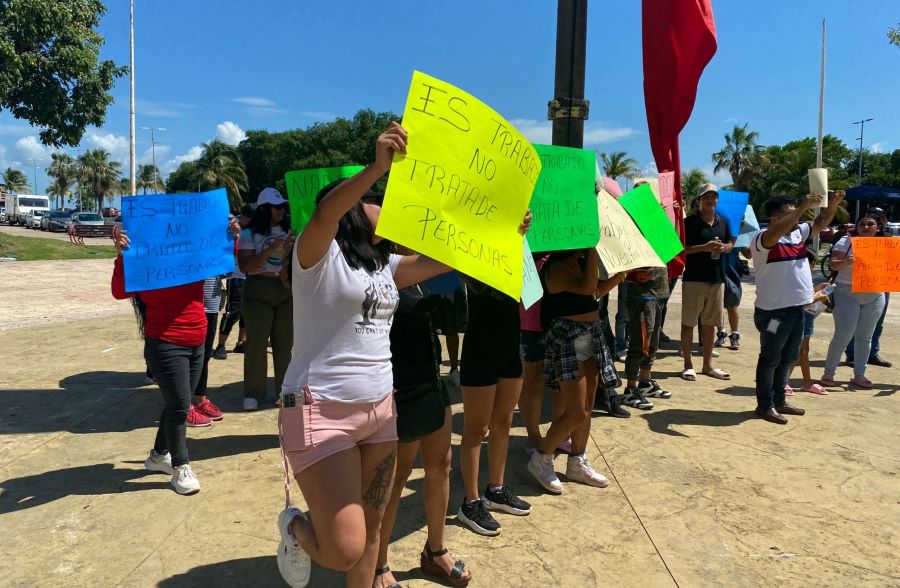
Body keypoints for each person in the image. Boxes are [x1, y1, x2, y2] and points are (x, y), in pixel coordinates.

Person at [273, 123, 453, 588]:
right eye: (373, 199)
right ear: (352, 209)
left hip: (380, 412)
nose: (383, 206)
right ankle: (293, 525)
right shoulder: (315, 256)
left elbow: (450, 259)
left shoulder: (386, 266)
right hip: (321, 411)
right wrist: (376, 165)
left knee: (373, 533)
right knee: (343, 548)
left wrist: (503, 232)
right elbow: (324, 215)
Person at [109, 221, 232, 494]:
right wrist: (121, 255)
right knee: (180, 407)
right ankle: (180, 466)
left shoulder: (194, 257)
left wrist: (229, 236)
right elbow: (119, 291)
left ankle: (158, 456)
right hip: (164, 343)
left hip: (197, 340)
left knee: (179, 402)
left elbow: (226, 264)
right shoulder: (145, 262)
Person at [375, 276, 471, 588]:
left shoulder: (424, 274)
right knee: (394, 479)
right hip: (400, 388)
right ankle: (378, 565)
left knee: (441, 465)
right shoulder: (382, 271)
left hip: (431, 381)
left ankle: (435, 550)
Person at [456, 217, 534, 537]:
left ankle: (495, 489)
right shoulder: (472, 252)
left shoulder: (516, 245)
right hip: (479, 350)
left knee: (503, 422)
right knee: (476, 428)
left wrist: (520, 232)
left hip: (509, 347)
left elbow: (528, 287)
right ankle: (470, 502)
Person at [526, 249, 621, 494]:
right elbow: (586, 287)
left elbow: (594, 293)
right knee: (577, 411)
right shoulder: (556, 268)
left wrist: (618, 277)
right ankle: (541, 458)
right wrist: (591, 251)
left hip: (591, 332)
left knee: (587, 405)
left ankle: (577, 460)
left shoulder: (580, 263)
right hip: (567, 337)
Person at [750, 191, 844, 424]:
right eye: (790, 215)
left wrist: (832, 205)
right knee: (770, 358)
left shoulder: (797, 235)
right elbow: (775, 234)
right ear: (774, 218)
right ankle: (765, 405)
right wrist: (803, 207)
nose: (799, 221)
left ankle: (779, 400)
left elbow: (821, 222)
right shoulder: (763, 238)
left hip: (796, 308)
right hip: (774, 311)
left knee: (788, 357)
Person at [237, 189, 294, 411]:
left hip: (286, 289)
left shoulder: (291, 230)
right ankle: (253, 392)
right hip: (257, 290)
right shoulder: (248, 234)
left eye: (283, 207)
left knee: (284, 345)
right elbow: (245, 266)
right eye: (276, 207)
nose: (281, 211)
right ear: (264, 209)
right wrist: (269, 250)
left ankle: (286, 391)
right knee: (256, 344)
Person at [820, 215, 886, 389]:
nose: (866, 227)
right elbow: (833, 265)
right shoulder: (846, 240)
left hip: (875, 295)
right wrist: (845, 262)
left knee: (865, 336)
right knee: (843, 334)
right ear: (856, 226)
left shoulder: (886, 244)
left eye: (870, 224)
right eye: (862, 224)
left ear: (878, 227)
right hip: (847, 292)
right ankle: (828, 373)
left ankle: (859, 374)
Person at [680, 184, 734, 381]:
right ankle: (688, 364)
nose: (711, 201)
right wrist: (704, 247)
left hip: (717, 279)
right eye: (706, 197)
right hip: (694, 279)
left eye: (714, 197)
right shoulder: (689, 222)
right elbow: (681, 249)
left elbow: (730, 243)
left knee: (710, 324)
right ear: (699, 201)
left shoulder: (723, 221)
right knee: (689, 323)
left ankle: (708, 365)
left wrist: (726, 248)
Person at [519, 252, 568, 453]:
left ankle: (560, 433)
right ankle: (533, 436)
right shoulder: (526, 246)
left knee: (564, 383)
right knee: (534, 382)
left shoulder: (569, 247)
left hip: (564, 319)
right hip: (531, 320)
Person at [844, 206, 892, 368]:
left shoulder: (886, 239)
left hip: (881, 284)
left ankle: (872, 353)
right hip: (858, 284)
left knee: (877, 322)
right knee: (854, 323)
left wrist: (884, 227)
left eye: (875, 219)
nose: (867, 226)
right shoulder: (853, 238)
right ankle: (852, 354)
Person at [622, 266, 671, 410]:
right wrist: (632, 274)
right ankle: (630, 389)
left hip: (657, 294)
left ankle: (645, 382)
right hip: (641, 295)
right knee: (640, 343)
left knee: (652, 341)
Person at [214, 203, 255, 359]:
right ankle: (220, 345)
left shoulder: (254, 231)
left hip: (251, 277)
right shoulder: (231, 230)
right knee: (232, 312)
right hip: (237, 277)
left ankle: (241, 342)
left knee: (246, 313)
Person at [786, 250, 829, 396]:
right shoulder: (797, 278)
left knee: (803, 350)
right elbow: (799, 302)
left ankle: (806, 382)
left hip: (807, 316)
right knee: (796, 350)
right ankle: (784, 381)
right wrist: (818, 297)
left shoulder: (802, 278)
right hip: (800, 316)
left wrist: (817, 291)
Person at [189, 276, 226, 425]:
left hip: (210, 301)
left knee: (204, 355)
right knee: (186, 356)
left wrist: (227, 263)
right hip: (188, 303)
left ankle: (200, 400)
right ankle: (183, 407)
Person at [422, 271, 466, 387]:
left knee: (452, 331)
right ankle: (432, 370)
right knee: (427, 334)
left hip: (452, 289)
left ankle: (454, 369)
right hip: (425, 290)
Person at [714, 250, 745, 351]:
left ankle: (734, 335)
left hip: (732, 274)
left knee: (732, 306)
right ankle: (721, 333)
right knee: (717, 305)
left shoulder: (736, 237)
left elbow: (748, 254)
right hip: (716, 271)